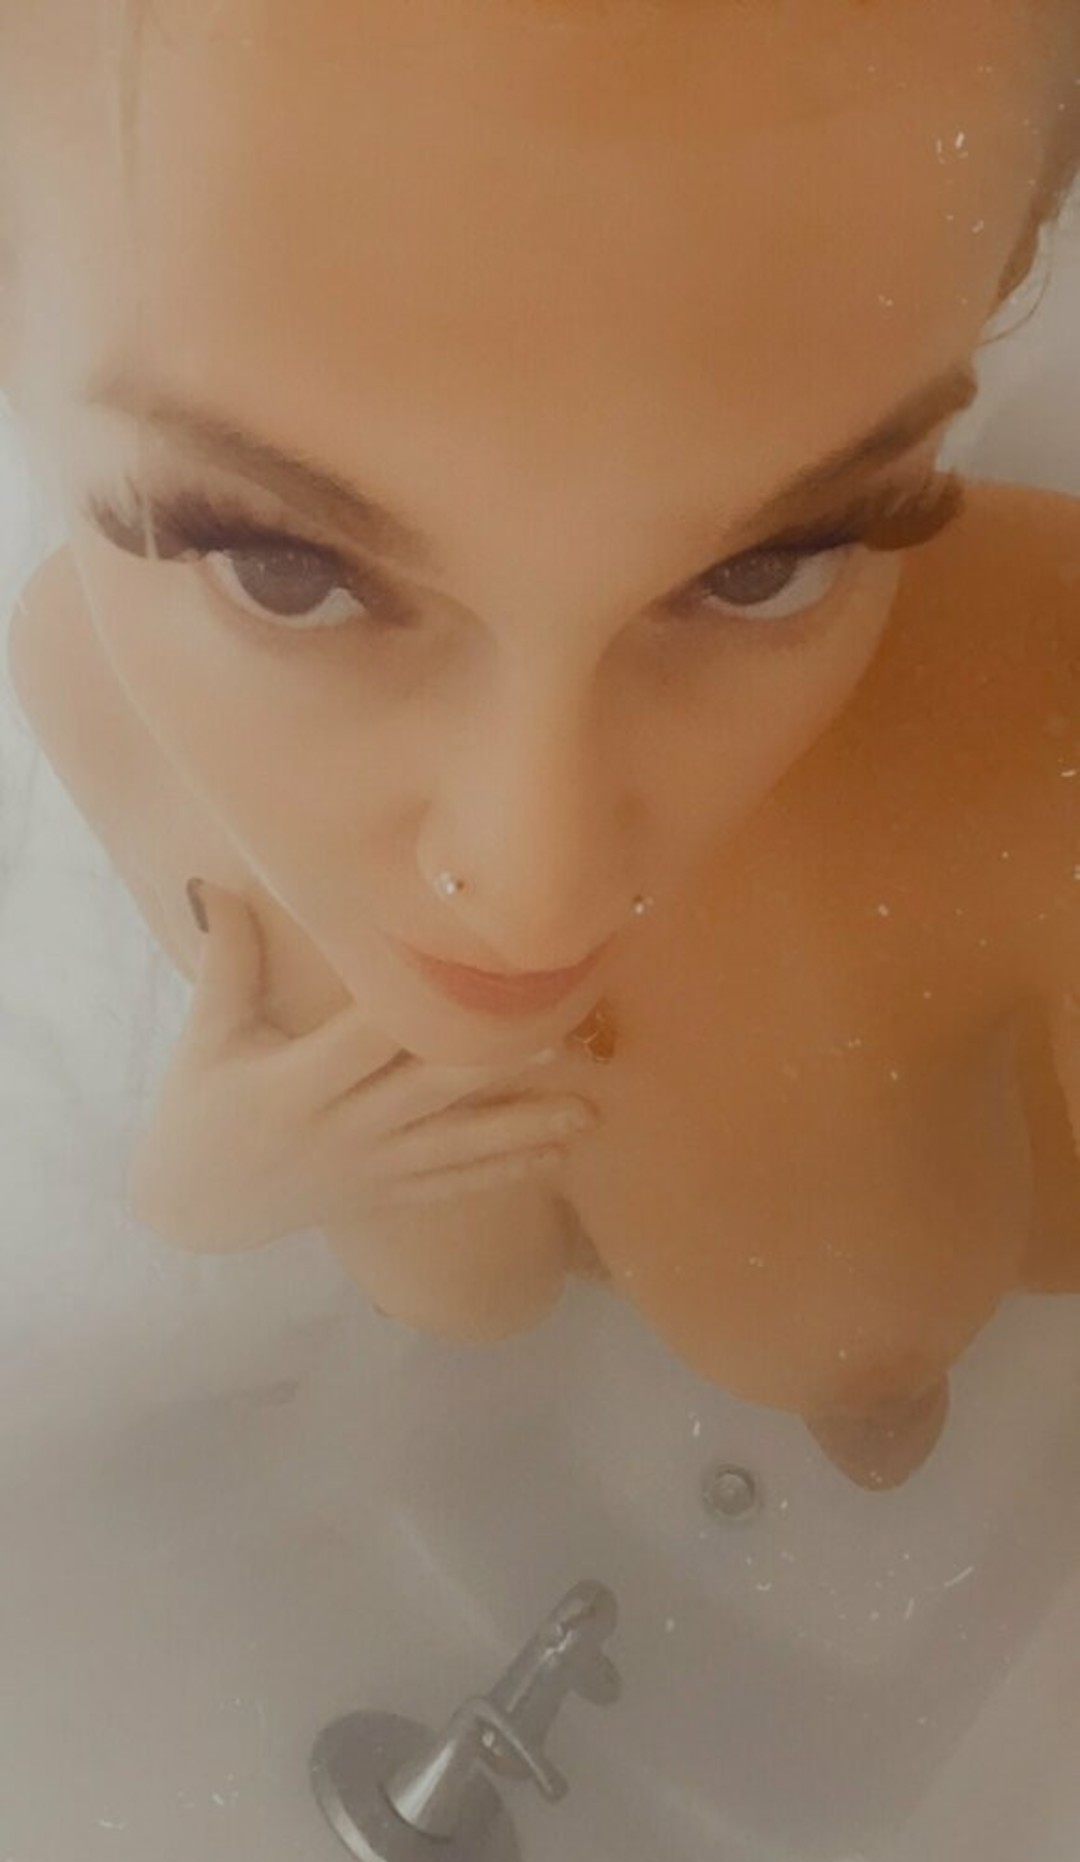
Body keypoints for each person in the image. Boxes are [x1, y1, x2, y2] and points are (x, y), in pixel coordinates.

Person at [1, 0, 1078, 1490]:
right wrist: (202, 1192)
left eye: (774, 564)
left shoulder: (1044, 717)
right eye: (281, 570)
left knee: (862, 1374)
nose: (536, 897)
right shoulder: (79, 672)